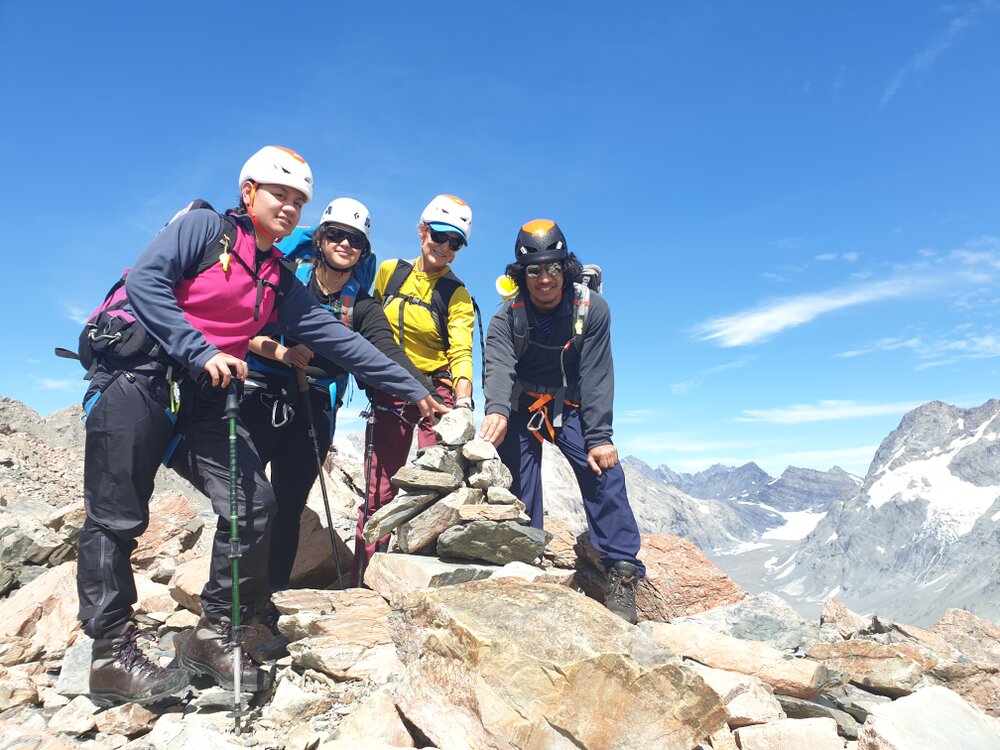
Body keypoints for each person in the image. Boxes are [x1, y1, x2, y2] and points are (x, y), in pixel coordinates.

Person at [77, 147, 446, 706]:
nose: (290, 208)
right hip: (140, 379)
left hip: (201, 398)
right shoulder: (203, 229)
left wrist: (411, 388)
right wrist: (199, 349)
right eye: (281, 195)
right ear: (248, 192)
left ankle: (214, 633)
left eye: (300, 201)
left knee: (254, 503)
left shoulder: (276, 278)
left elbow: (339, 340)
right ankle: (108, 654)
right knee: (116, 517)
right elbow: (150, 282)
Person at [241, 197, 434, 595]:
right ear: (321, 238)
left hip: (314, 404)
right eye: (336, 235)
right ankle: (234, 598)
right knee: (246, 502)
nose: (345, 245)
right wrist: (280, 352)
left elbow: (385, 351)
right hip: (261, 394)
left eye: (355, 241)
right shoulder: (287, 275)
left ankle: (274, 594)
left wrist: (425, 393)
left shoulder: (362, 306)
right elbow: (244, 323)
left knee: (290, 505)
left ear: (364, 250)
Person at [479, 219, 645, 623]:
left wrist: (600, 435)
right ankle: (523, 565)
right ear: (522, 275)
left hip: (571, 406)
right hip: (521, 408)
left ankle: (621, 573)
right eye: (534, 270)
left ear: (566, 268)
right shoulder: (507, 318)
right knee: (518, 485)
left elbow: (597, 373)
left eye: (553, 267)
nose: (545, 278)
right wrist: (497, 409)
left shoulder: (593, 309)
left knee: (603, 472)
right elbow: (498, 366)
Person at [356, 194, 475, 584]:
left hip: (436, 395)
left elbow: (461, 349)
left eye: (455, 242)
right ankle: (366, 577)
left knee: (434, 488)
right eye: (439, 235)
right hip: (390, 388)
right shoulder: (389, 272)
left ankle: (420, 580)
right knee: (380, 486)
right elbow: (368, 322)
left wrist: (463, 399)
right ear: (422, 230)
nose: (444, 247)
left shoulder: (456, 294)